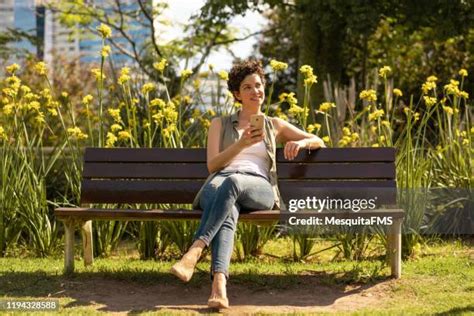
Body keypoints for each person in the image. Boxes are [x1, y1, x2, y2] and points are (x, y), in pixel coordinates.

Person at [170, 59, 325, 308]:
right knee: (228, 205)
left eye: (259, 85)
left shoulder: (275, 125)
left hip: (258, 188)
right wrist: (241, 144)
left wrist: (302, 143)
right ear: (236, 94)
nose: (256, 91)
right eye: (248, 87)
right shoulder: (219, 124)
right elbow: (212, 166)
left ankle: (195, 250)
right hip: (218, 184)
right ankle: (219, 286)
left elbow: (319, 140)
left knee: (233, 183)